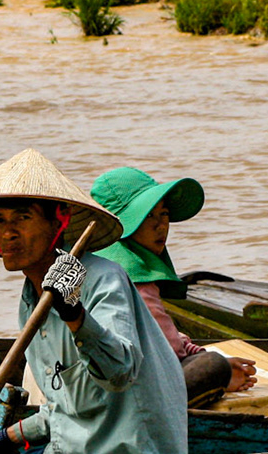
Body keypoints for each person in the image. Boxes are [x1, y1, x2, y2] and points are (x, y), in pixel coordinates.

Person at [0, 149, 190, 454]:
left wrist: (75, 313)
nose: (8, 233)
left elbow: (119, 372)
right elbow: (64, 408)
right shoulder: (31, 301)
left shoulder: (102, 280)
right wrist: (0, 440)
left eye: (22, 218)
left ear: (59, 223)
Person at [89, 165, 256, 406]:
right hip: (131, 396)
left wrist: (195, 351)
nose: (161, 226)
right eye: (147, 216)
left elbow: (162, 336)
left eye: (163, 214)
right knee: (214, 366)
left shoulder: (95, 265)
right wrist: (219, 370)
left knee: (210, 360)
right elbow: (167, 352)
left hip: (113, 385)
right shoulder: (132, 278)